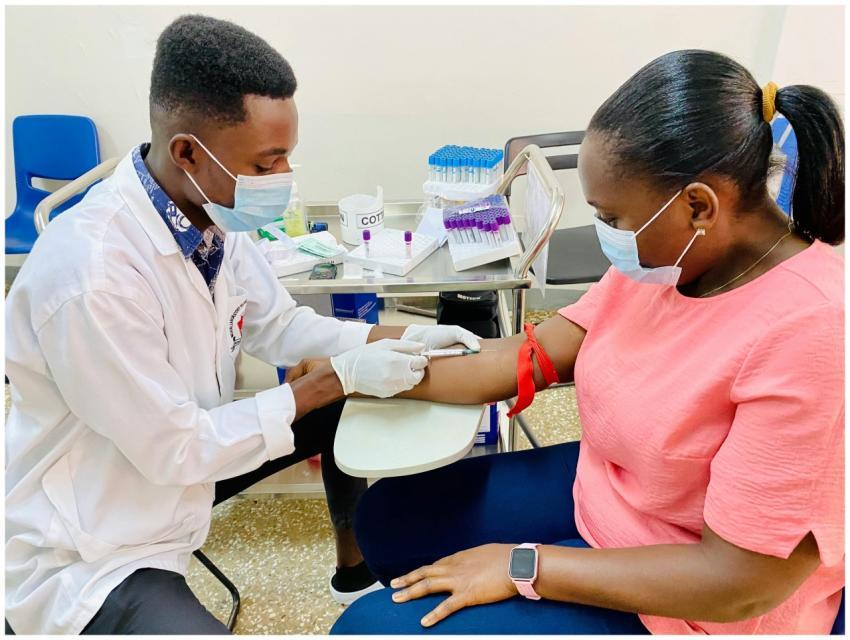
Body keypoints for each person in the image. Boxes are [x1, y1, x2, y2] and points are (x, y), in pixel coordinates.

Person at [330, 49, 845, 634]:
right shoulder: (672, 258)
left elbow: (738, 582)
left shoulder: (815, 334)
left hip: (694, 600)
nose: (607, 237)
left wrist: (523, 564)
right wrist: (352, 357)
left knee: (366, 628)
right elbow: (525, 356)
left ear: (698, 205)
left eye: (613, 218)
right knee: (387, 520)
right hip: (611, 492)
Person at [4, 14, 479, 635]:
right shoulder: (92, 279)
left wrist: (393, 338)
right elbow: (176, 449)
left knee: (335, 400)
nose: (280, 180)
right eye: (264, 164)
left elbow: (279, 326)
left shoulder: (208, 214)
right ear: (187, 153)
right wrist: (335, 375)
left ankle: (355, 572)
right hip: (94, 545)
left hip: (179, 468)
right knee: (329, 391)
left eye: (287, 158)